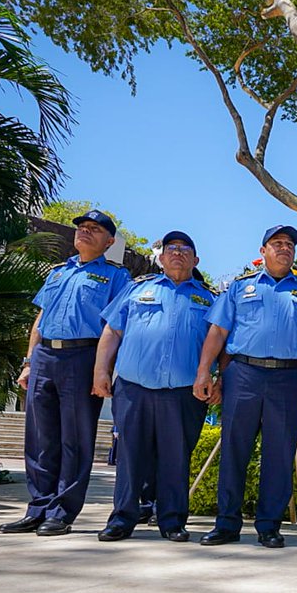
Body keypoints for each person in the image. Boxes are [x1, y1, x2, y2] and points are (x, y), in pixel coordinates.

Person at [192, 225, 297, 548]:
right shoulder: (240, 288)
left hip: (287, 377)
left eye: (289, 245)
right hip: (243, 374)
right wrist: (204, 372)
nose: (284, 248)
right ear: (263, 251)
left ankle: (269, 525)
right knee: (234, 449)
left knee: (279, 453)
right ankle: (226, 523)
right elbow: (217, 333)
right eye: (277, 243)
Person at [0, 210, 132, 536]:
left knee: (74, 439)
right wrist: (29, 361)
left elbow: (116, 327)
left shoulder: (117, 277)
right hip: (45, 356)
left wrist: (104, 369)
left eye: (94, 229)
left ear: (109, 241)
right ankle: (38, 507)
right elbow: (40, 319)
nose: (85, 232)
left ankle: (62, 512)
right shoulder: (58, 272)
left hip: (82, 357)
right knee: (40, 438)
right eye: (82, 228)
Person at [92, 231, 215, 543]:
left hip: (184, 394)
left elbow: (221, 346)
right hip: (134, 388)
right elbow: (112, 332)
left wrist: (219, 380)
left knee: (176, 459)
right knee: (130, 456)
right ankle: (121, 519)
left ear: (196, 259)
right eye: (171, 248)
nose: (177, 253)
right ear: (161, 258)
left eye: (185, 249)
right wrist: (100, 371)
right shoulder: (137, 289)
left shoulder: (210, 299)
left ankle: (172, 521)